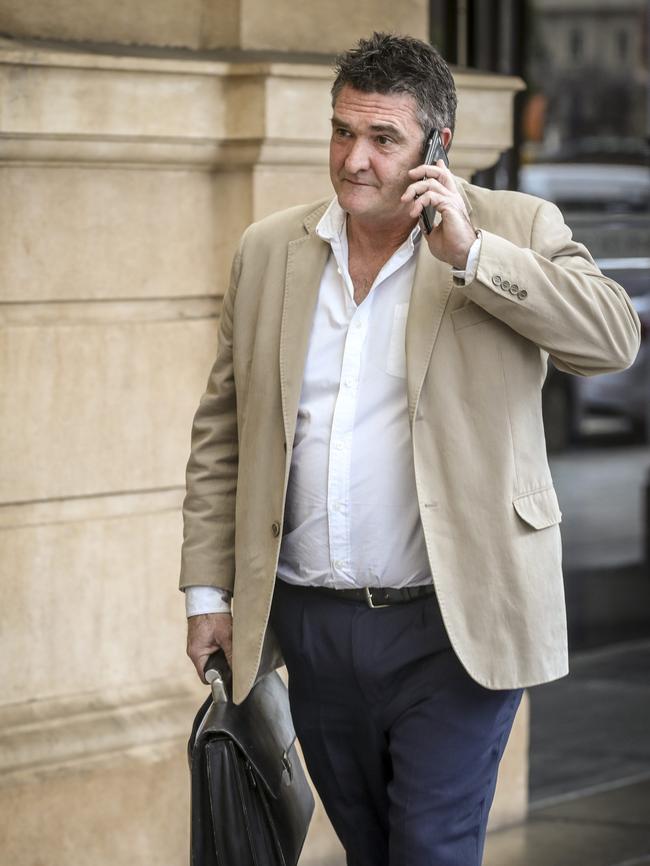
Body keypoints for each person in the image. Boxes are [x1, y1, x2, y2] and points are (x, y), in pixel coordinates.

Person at [180, 32, 640, 866]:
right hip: (311, 621)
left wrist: (473, 256)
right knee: (372, 848)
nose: (355, 160)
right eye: (342, 131)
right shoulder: (268, 251)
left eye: (383, 138)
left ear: (438, 147)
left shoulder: (513, 226)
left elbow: (611, 337)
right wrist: (208, 593)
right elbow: (223, 430)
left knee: (431, 847)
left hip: (454, 624)